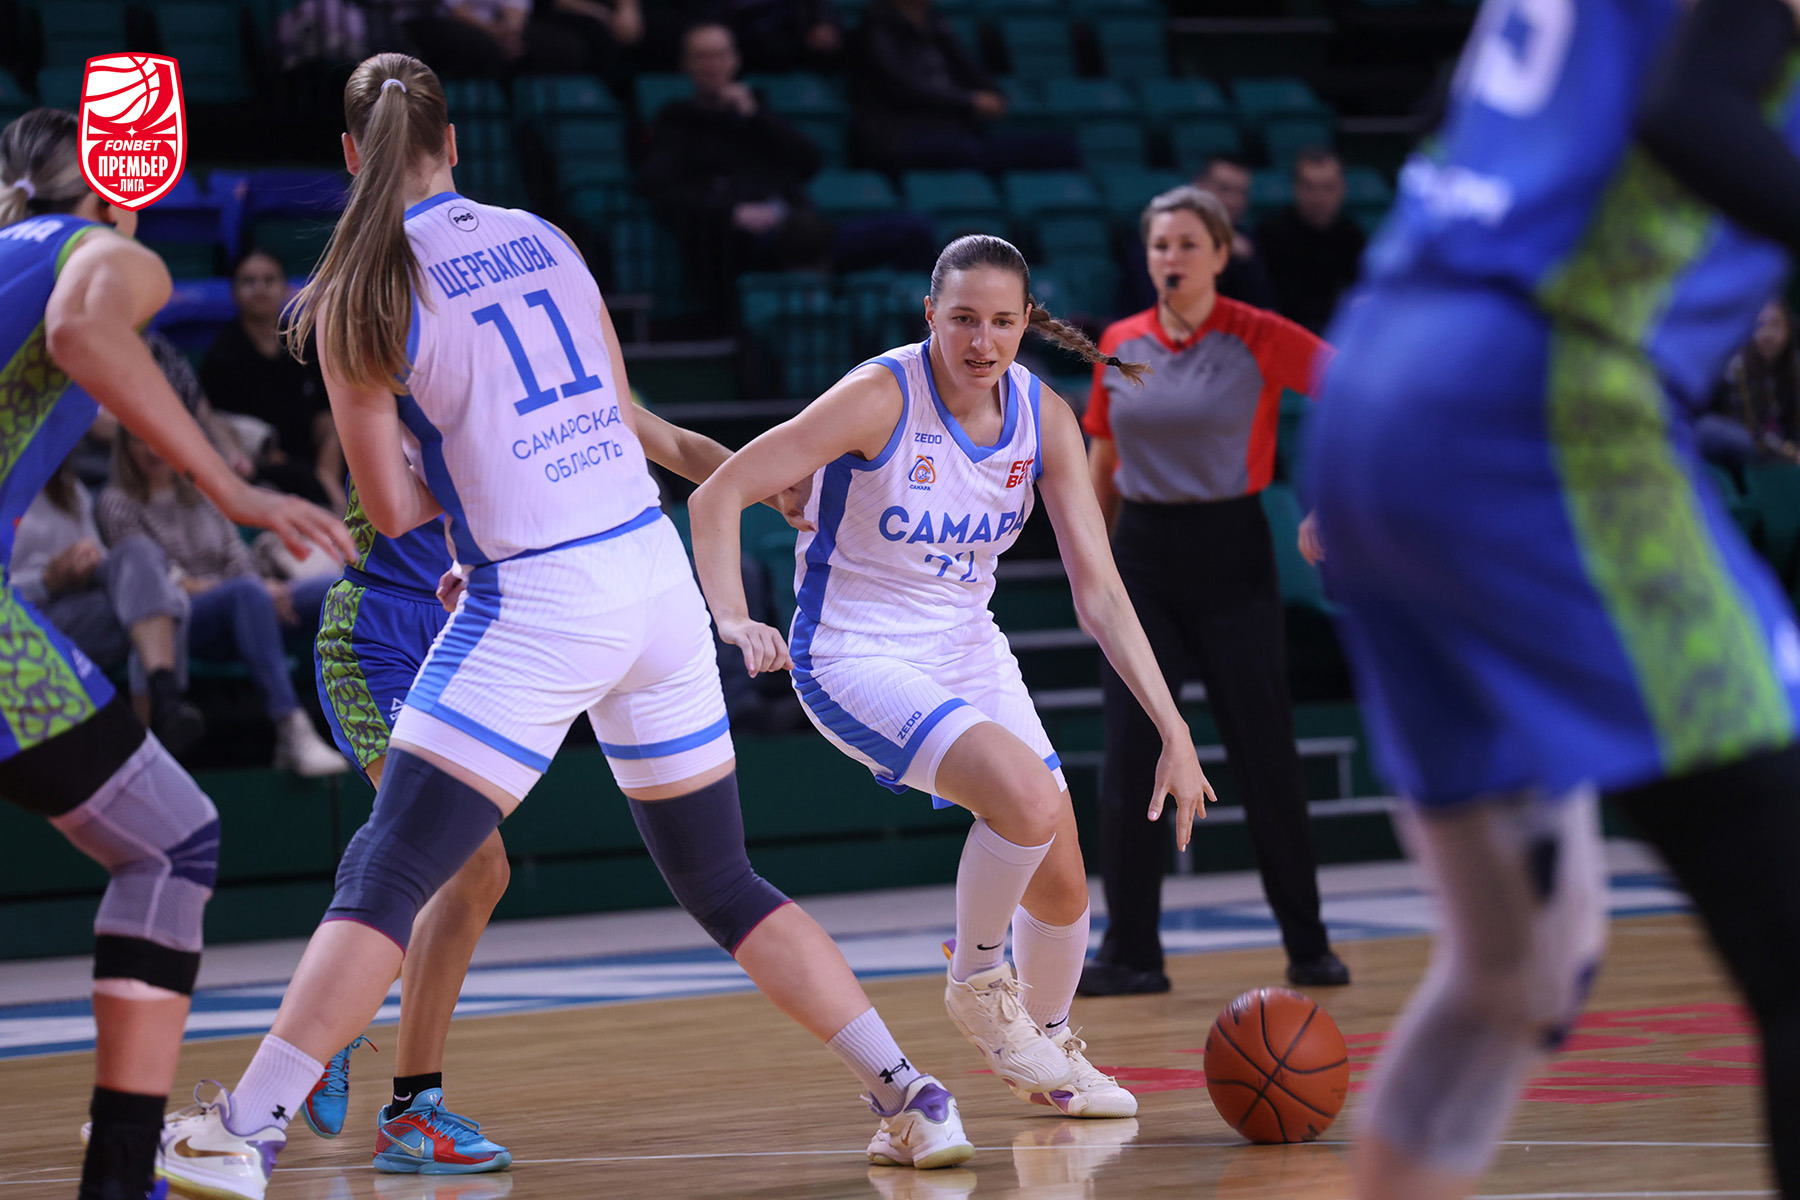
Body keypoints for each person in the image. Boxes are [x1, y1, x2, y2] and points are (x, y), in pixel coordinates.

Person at [159, 53, 974, 1200]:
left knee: (389, 868)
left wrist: (481, 485)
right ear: (455, 145)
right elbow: (616, 419)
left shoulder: (361, 289)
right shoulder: (544, 237)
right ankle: (911, 1096)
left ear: (349, 156)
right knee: (724, 880)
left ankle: (242, 1129)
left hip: (540, 596)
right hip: (652, 573)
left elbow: (389, 507)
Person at [1304, 0, 1800, 1194]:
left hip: (1380, 377)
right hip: (1540, 405)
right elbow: (1690, 110)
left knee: (1517, 968)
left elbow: (1457, 114)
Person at [689, 233, 1216, 1121]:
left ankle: (1047, 1044)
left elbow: (1099, 590)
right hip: (853, 649)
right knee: (1026, 798)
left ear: (1026, 323)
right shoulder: (878, 396)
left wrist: (1175, 727)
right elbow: (717, 494)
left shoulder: (1045, 417)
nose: (982, 341)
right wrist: (733, 617)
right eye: (964, 319)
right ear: (929, 314)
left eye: (1002, 322)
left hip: (966, 642)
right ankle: (977, 983)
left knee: (1062, 872)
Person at [304, 415, 814, 1176]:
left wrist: (774, 490)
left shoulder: (558, 376)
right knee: (467, 864)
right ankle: (367, 1069)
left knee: (470, 872)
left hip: (472, 623)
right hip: (378, 630)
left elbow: (676, 446)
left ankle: (386, 1076)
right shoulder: (403, 380)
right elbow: (408, 495)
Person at [0, 107, 350, 1200]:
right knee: (169, 844)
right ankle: (119, 1179)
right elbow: (83, 332)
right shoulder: (107, 252)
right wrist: (229, 485)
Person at [1080, 186, 1345, 998]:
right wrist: (1090, 562)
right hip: (1142, 560)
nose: (1173, 258)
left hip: (1233, 554)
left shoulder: (1258, 334)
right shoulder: (1120, 341)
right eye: (1161, 244)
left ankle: (1308, 944)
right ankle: (1132, 953)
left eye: (1190, 244)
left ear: (1222, 255)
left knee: (1265, 754)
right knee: (1132, 756)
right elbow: (1102, 457)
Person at [99, 426, 347, 777]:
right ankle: (291, 726)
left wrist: (262, 588)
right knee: (247, 593)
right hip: (181, 617)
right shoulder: (117, 501)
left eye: (158, 439)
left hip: (244, 600)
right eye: (140, 441)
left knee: (335, 590)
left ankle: (366, 716)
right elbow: (150, 579)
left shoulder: (201, 493)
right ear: (124, 448)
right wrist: (247, 589)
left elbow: (235, 553)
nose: (152, 450)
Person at [10, 454, 206, 756]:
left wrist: (88, 561)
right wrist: (47, 579)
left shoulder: (67, 484)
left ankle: (155, 714)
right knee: (166, 604)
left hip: (85, 600)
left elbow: (101, 556)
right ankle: (157, 722)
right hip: (24, 619)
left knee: (139, 552)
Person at [638, 22, 831, 325]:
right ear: (685, 65)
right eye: (701, 57)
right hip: (724, 238)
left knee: (900, 233)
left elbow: (810, 161)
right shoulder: (676, 121)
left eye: (719, 55)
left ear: (735, 60)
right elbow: (659, 189)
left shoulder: (757, 111)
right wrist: (732, 212)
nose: (711, 65)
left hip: (787, 219)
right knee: (799, 236)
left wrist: (756, 115)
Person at [846, 0, 1074, 173]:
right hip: (901, 137)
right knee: (966, 151)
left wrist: (993, 95)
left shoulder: (937, 25)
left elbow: (971, 71)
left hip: (954, 132)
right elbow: (901, 87)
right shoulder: (874, 28)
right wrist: (968, 101)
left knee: (1059, 148)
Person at [201, 249, 346, 512]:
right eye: (249, 281)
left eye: (269, 280)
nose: (260, 289)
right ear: (234, 292)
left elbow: (327, 418)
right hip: (259, 468)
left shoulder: (306, 344)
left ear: (285, 289)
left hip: (314, 464)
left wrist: (326, 477)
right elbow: (232, 432)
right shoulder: (222, 356)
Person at [1255, 147, 1365, 334]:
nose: (1319, 198)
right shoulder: (1270, 233)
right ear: (1295, 188)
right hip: (1283, 332)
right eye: (1309, 187)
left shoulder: (1351, 234)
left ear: (1342, 189)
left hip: (1336, 333)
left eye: (1328, 188)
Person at [1701, 298, 1800, 470]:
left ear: (1788, 329)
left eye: (1776, 325)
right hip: (1742, 440)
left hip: (1777, 446)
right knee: (1733, 437)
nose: (1768, 333)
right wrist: (1790, 452)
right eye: (1759, 325)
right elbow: (1748, 427)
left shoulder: (1793, 368)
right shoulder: (1735, 366)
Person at [1193, 156, 1277, 310]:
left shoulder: (1249, 242)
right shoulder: (1167, 238)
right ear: (1200, 187)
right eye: (1224, 189)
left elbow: (1263, 307)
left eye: (1241, 193)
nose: (1233, 201)